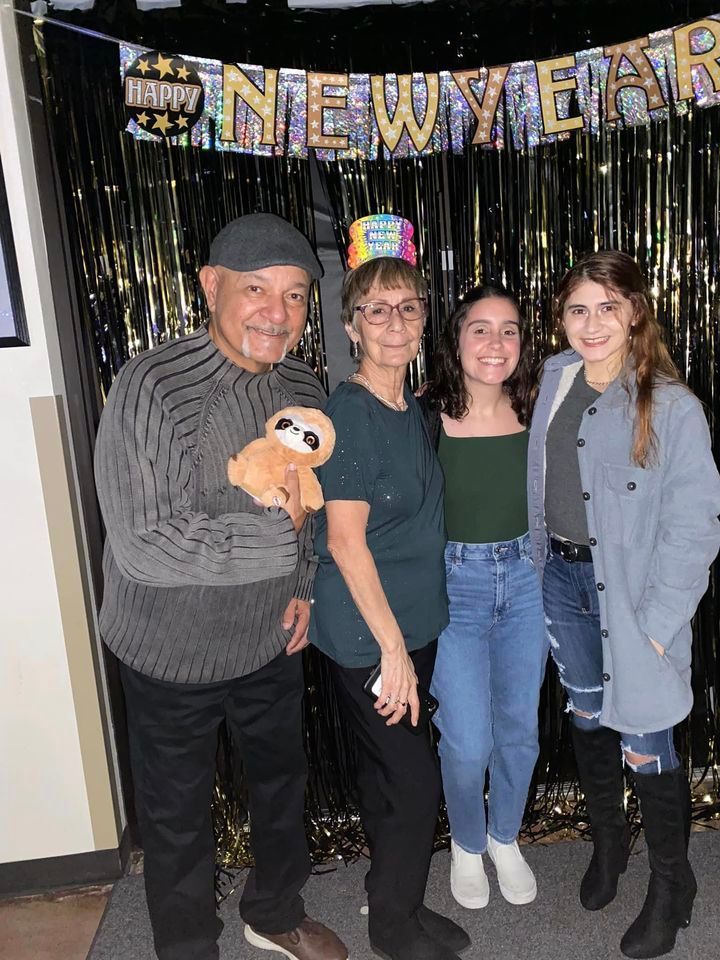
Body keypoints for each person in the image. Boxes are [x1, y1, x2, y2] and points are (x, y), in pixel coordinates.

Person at [94, 213, 348, 960]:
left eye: (297, 296)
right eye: (258, 289)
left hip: (268, 635)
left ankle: (274, 911)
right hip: (169, 649)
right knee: (175, 815)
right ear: (212, 286)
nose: (278, 313)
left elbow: (310, 501)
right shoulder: (153, 386)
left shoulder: (302, 385)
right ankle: (186, 949)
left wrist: (302, 581)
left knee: (282, 786)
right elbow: (147, 543)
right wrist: (283, 537)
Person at [528, 250, 720, 959]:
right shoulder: (553, 379)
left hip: (635, 603)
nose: (592, 323)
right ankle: (610, 846)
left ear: (635, 311)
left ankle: (672, 886)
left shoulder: (670, 405)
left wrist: (663, 628)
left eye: (608, 307)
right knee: (586, 716)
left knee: (645, 738)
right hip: (563, 586)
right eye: (578, 309)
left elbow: (696, 526)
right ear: (561, 320)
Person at [310, 215, 470, 960]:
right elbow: (344, 541)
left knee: (387, 777)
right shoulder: (349, 413)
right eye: (376, 308)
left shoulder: (411, 409)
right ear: (351, 324)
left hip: (415, 623)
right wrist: (393, 654)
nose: (394, 321)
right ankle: (394, 928)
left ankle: (392, 899)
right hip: (371, 634)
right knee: (413, 785)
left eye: (407, 305)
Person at [420, 286, 546, 910]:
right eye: (481, 329)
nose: (496, 344)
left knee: (519, 730)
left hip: (526, 579)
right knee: (468, 739)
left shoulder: (541, 411)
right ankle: (467, 845)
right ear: (456, 339)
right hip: (455, 588)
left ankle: (505, 838)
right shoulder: (423, 417)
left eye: (510, 330)